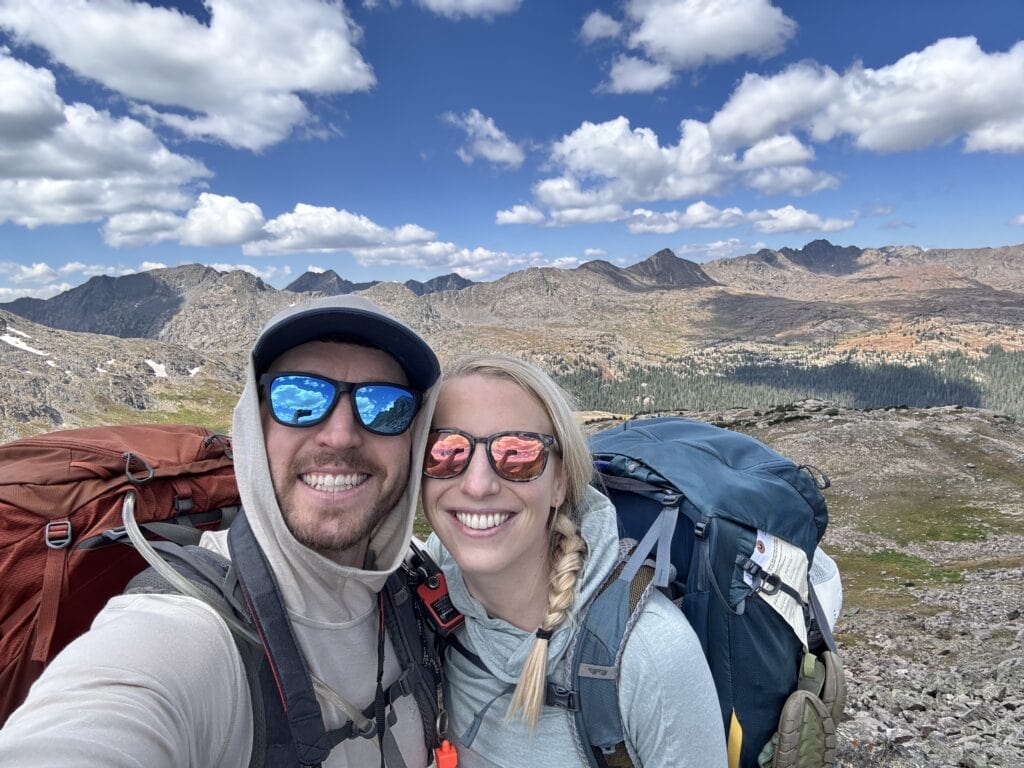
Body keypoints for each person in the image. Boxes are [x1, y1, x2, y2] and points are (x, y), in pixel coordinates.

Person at [0, 295, 443, 767]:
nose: (341, 435)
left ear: (413, 437)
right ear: (254, 426)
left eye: (385, 406)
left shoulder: (417, 578)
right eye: (298, 398)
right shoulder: (184, 632)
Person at [421, 354, 728, 767]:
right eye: (446, 451)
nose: (477, 485)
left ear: (560, 483)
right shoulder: (415, 596)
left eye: (518, 454)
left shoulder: (651, 656)